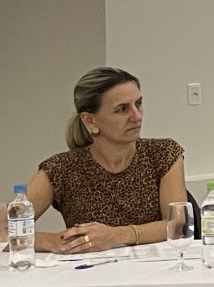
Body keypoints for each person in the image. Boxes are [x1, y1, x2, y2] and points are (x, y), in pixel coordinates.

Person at [24, 67, 185, 255]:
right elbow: (5, 228)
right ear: (90, 121)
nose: (137, 116)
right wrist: (54, 242)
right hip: (90, 269)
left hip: (155, 266)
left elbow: (177, 222)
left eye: (138, 104)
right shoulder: (60, 169)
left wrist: (116, 236)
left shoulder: (163, 153)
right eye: (122, 109)